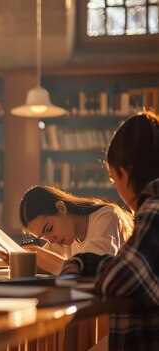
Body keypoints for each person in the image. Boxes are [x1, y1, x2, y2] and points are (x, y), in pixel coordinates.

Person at [61, 111, 159, 305]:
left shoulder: (152, 211)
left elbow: (120, 282)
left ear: (125, 172)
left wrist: (83, 264)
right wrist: (85, 263)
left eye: (114, 180)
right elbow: (133, 266)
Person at [19, 185, 133, 274]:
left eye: (49, 229)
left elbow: (91, 270)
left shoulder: (106, 217)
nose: (51, 240)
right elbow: (42, 264)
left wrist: (39, 257)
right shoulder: (63, 235)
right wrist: (16, 259)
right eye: (43, 237)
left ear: (61, 207)